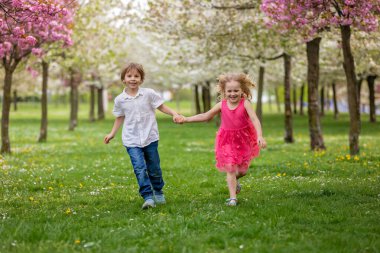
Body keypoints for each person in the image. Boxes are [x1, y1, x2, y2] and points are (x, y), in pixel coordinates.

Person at [178, 73, 266, 206]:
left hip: (243, 139)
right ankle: (233, 198)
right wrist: (186, 119)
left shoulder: (245, 103)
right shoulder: (221, 104)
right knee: (230, 168)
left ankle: (235, 180)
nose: (233, 94)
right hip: (226, 140)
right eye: (229, 91)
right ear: (224, 92)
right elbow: (206, 116)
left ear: (242, 90)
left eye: (236, 90)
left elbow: (254, 119)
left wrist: (260, 135)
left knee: (242, 171)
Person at [104, 62, 183, 209]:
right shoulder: (120, 100)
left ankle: (158, 191)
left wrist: (174, 113)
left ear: (141, 79)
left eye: (136, 76)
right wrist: (112, 133)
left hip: (150, 137)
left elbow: (161, 106)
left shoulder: (149, 94)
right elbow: (119, 117)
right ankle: (147, 196)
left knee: (154, 168)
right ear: (123, 79)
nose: (133, 79)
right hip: (131, 139)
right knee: (139, 168)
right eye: (129, 76)